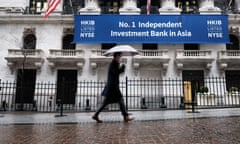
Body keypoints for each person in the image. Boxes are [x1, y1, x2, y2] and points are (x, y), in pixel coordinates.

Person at [92, 52, 135, 123]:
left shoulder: (115, 64)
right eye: (119, 56)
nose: (120, 58)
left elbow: (117, 72)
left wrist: (122, 67)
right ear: (116, 57)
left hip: (112, 87)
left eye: (120, 56)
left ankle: (95, 115)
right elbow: (116, 72)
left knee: (106, 103)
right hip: (113, 87)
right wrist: (122, 67)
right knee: (121, 100)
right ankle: (126, 116)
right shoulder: (113, 64)